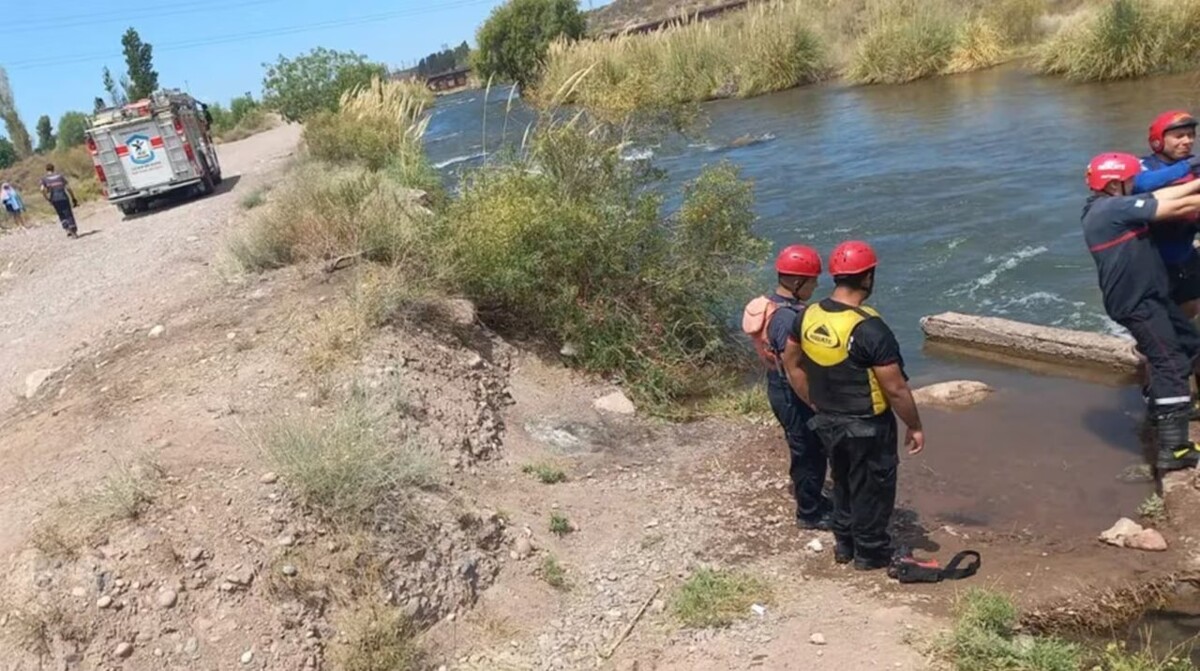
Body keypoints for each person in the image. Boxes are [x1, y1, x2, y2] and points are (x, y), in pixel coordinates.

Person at [781, 241, 925, 570]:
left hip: (827, 420)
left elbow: (792, 364)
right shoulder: (870, 328)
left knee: (842, 480)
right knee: (874, 486)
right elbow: (896, 388)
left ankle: (844, 544)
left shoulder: (807, 315)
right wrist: (914, 425)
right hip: (867, 424)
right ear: (868, 278)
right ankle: (871, 553)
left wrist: (813, 401)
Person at [1082, 152, 1200, 472]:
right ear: (1114, 183)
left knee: (1189, 342)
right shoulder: (1109, 210)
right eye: (1130, 180)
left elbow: (1163, 195)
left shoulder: (1110, 205)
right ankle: (1174, 448)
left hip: (1151, 296)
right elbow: (1175, 206)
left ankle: (1169, 408)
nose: (1135, 184)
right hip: (1137, 302)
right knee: (1170, 363)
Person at [742, 245, 832, 530]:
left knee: (806, 444)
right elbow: (793, 366)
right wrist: (813, 401)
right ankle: (809, 512)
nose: (815, 286)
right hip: (791, 389)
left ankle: (813, 497)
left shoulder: (773, 305)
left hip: (778, 384)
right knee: (808, 448)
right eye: (812, 281)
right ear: (796, 282)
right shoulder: (787, 318)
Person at [1132, 111, 1200, 317]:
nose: (1187, 141)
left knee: (1192, 308)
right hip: (1153, 262)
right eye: (1179, 136)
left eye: (1190, 135)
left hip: (1185, 253)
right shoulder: (1142, 165)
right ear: (1157, 141)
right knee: (1160, 318)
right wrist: (1188, 165)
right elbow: (1140, 184)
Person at [40, 163, 79, 238]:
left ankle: (67, 229)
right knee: (68, 214)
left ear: (46, 170)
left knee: (61, 214)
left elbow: (42, 189)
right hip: (63, 197)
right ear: (53, 169)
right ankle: (73, 231)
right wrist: (73, 197)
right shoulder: (60, 177)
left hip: (54, 198)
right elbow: (68, 188)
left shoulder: (44, 179)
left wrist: (47, 199)